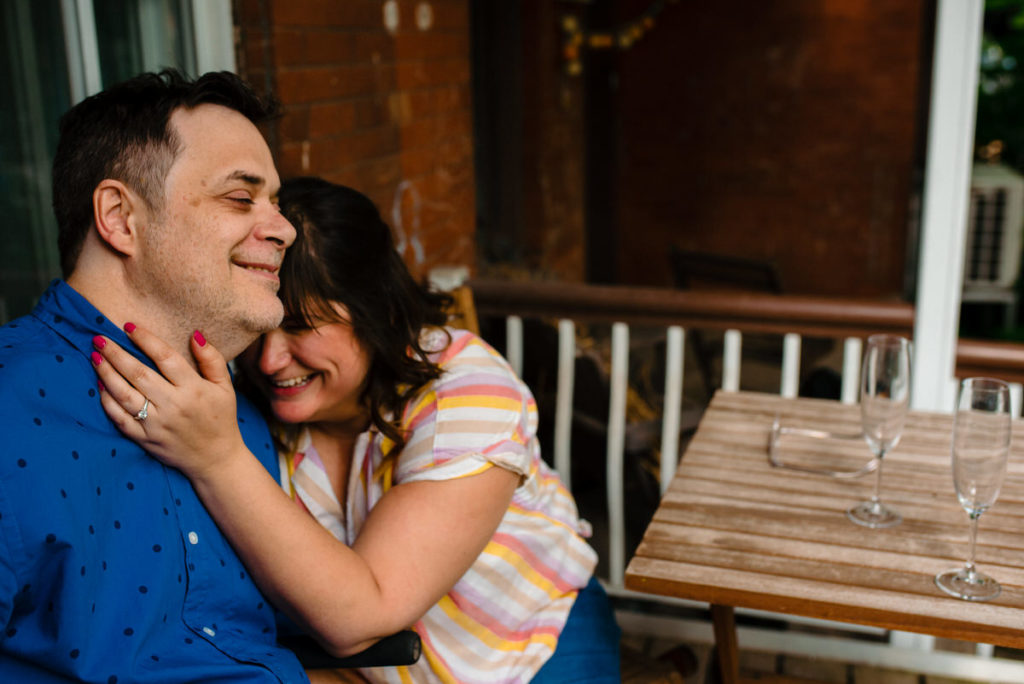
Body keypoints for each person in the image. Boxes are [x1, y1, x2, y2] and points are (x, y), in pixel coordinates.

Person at [90, 177, 622, 683]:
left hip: (527, 640)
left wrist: (217, 459)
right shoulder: (240, 404)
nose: (271, 361)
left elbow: (365, 614)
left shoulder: (466, 389)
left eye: (299, 327)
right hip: (370, 668)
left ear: (379, 311)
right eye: (258, 327)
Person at [0, 70, 309, 682]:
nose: (284, 228)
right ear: (119, 218)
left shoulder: (239, 407)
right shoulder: (11, 406)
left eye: (275, 203)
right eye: (240, 198)